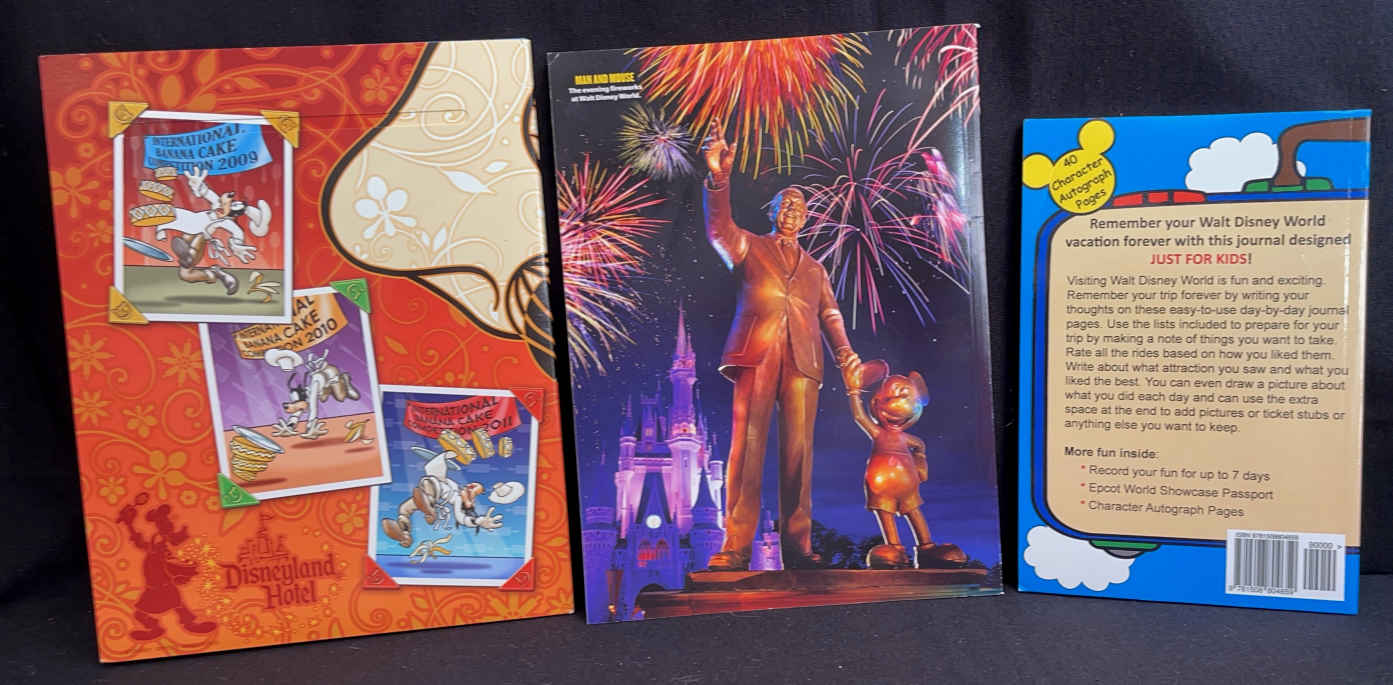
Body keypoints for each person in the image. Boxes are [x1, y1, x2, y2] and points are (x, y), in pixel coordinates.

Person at [700, 118, 859, 571]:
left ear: (806, 219)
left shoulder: (815, 269)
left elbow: (830, 313)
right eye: (786, 204)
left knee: (799, 454)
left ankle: (798, 547)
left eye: (800, 208)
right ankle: (735, 546)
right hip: (757, 350)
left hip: (804, 360)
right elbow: (719, 230)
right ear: (772, 211)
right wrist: (719, 178)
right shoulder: (749, 246)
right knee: (747, 446)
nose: (792, 211)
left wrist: (844, 351)